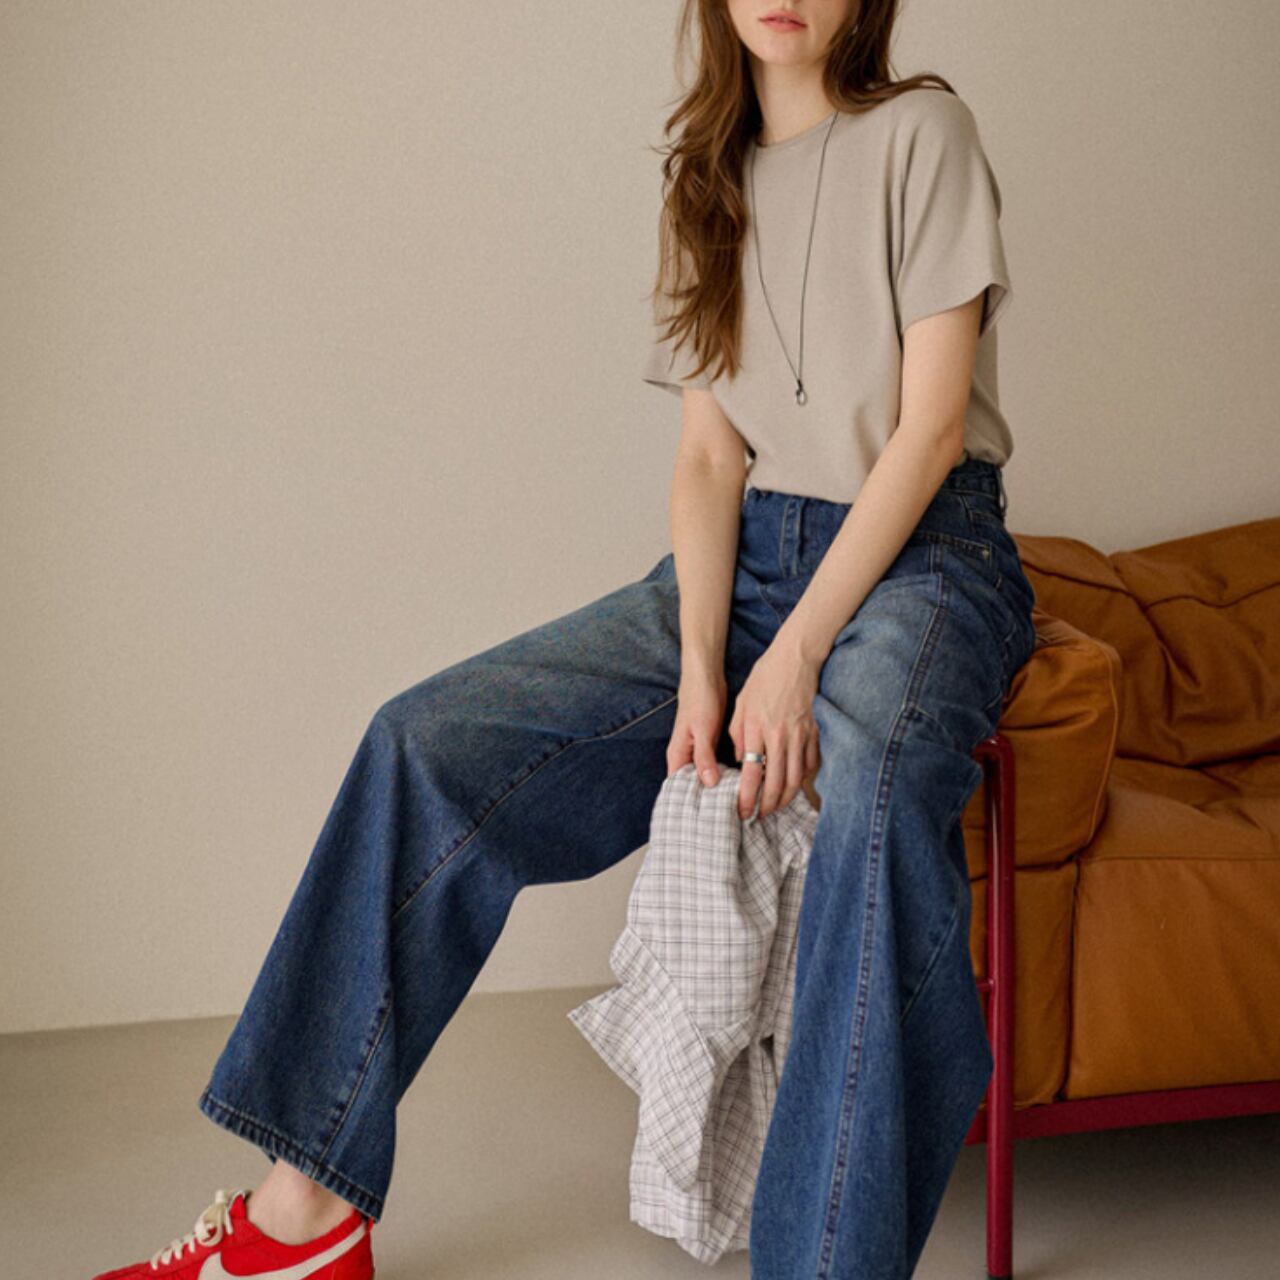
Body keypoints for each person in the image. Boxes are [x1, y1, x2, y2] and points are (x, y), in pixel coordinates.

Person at [92, 2, 1037, 1277]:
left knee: (870, 797)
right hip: (747, 558)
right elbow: (707, 456)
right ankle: (299, 1220)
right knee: (427, 743)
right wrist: (701, 663)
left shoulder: (925, 133)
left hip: (925, 555)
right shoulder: (703, 182)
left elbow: (926, 433)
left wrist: (796, 653)